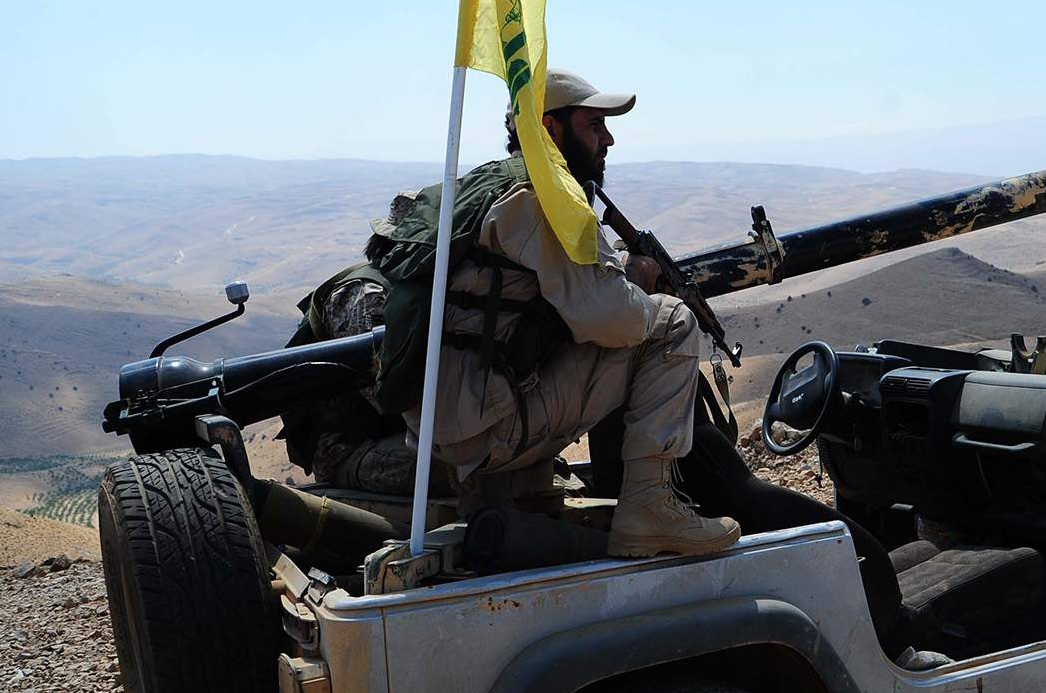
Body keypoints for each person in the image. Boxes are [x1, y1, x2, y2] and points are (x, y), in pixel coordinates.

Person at [287, 69, 739, 557]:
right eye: (594, 125)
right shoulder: (547, 197)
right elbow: (613, 318)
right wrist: (638, 285)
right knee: (671, 324)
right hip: (482, 429)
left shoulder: (487, 184)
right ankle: (648, 509)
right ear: (549, 128)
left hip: (438, 420)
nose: (608, 139)